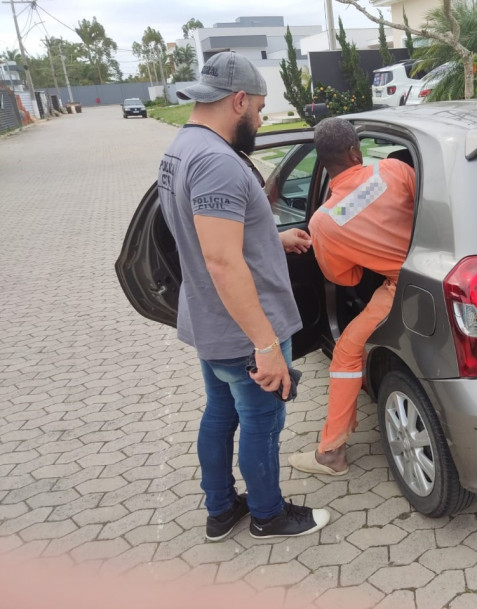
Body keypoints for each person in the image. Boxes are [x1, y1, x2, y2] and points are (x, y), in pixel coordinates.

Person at [158, 51, 329, 541]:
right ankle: (269, 515)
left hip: (208, 321)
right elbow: (221, 262)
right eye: (258, 107)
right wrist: (266, 344)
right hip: (242, 331)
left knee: (220, 413)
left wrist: (272, 240)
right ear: (237, 101)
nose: (260, 117)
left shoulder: (181, 148)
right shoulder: (216, 162)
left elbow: (210, 237)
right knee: (262, 422)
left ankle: (220, 510)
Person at [289, 117, 415, 476]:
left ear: (324, 161)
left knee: (345, 352)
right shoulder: (394, 169)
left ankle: (331, 452)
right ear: (355, 151)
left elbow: (344, 276)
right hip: (431, 273)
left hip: (399, 288)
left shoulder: (323, 222)